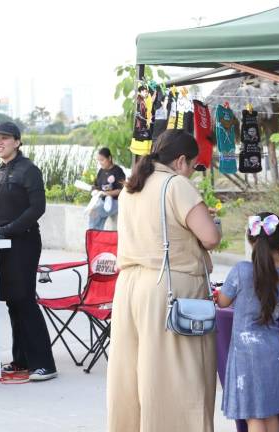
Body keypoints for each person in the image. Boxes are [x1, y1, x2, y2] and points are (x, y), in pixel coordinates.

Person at [107, 130, 221, 432]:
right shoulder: (175, 184)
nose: (193, 173)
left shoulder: (132, 187)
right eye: (195, 166)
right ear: (181, 161)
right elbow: (210, 238)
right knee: (176, 379)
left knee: (132, 377)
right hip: (169, 287)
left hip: (130, 287)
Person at [216, 212, 279, 432]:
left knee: (255, 417)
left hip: (245, 352)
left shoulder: (241, 271)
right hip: (273, 351)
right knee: (270, 414)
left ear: (251, 241)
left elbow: (222, 301)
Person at [0, 121, 57, 382]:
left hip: (24, 242)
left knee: (25, 300)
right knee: (13, 302)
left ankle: (45, 364)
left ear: (17, 141)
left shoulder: (29, 170)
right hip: (2, 242)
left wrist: (11, 229)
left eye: (4, 138)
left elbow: (37, 208)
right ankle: (21, 361)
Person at [89, 147, 126, 230]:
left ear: (109, 158)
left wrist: (106, 194)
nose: (100, 163)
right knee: (94, 213)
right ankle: (96, 237)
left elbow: (121, 190)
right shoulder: (101, 171)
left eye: (102, 160)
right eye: (99, 161)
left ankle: (93, 236)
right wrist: (94, 190)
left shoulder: (118, 171)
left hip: (115, 202)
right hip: (103, 200)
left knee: (94, 212)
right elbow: (97, 186)